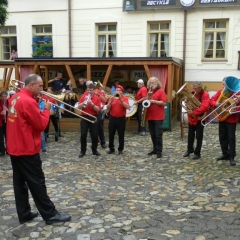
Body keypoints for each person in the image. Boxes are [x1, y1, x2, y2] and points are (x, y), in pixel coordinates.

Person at [6, 74, 71, 225]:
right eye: (40, 86)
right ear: (31, 85)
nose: (42, 89)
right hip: (27, 148)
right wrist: (46, 109)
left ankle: (24, 213)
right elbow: (41, 125)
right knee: (37, 182)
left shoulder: (15, 97)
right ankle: (50, 214)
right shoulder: (28, 101)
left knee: (19, 183)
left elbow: (24, 118)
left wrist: (37, 102)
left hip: (15, 147)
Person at [210, 77, 240, 166]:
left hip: (231, 118)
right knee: (222, 136)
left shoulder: (236, 94)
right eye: (223, 84)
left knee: (231, 138)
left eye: (225, 85)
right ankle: (225, 154)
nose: (224, 87)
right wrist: (215, 103)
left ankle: (231, 156)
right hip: (222, 117)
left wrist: (234, 106)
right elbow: (212, 100)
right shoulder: (220, 92)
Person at [183, 81, 210, 160]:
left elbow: (205, 107)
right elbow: (188, 102)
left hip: (200, 117)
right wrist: (186, 101)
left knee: (199, 136)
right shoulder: (192, 92)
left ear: (200, 87)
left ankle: (197, 153)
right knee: (190, 135)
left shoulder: (205, 94)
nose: (193, 90)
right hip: (192, 117)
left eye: (195, 88)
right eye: (193, 88)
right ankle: (189, 150)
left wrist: (194, 112)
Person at [145, 77, 166, 158]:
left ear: (157, 83)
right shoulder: (149, 91)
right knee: (153, 134)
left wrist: (153, 101)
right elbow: (146, 102)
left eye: (153, 82)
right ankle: (154, 148)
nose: (151, 84)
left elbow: (163, 102)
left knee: (158, 134)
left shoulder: (161, 91)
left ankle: (159, 150)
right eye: (150, 82)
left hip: (158, 116)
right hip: (150, 116)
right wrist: (147, 98)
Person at [78, 83, 101, 157]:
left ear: (94, 90)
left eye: (91, 90)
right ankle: (82, 151)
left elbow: (98, 110)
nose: (90, 92)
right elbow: (78, 107)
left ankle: (94, 150)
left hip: (94, 117)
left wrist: (91, 103)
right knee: (83, 135)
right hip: (84, 117)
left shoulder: (97, 98)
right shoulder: (84, 96)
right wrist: (83, 103)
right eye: (88, 90)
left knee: (94, 135)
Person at [107, 85, 130, 155]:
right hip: (112, 118)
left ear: (122, 92)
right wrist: (110, 101)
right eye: (117, 90)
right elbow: (108, 108)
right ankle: (111, 148)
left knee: (121, 134)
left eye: (119, 90)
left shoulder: (125, 98)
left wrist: (121, 99)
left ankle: (120, 149)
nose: (118, 91)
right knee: (111, 134)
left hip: (121, 119)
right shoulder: (112, 98)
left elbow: (127, 107)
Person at [0, 91, 8, 156]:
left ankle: (8, 150)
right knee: (1, 137)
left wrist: (8, 110)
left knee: (8, 137)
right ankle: (2, 151)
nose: (4, 98)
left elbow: (12, 110)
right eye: (2, 97)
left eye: (5, 97)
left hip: (7, 121)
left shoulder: (8, 102)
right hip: (1, 122)